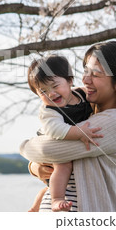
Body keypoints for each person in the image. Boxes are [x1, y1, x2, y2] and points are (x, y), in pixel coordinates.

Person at [20, 41, 116, 212]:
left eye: (95, 74)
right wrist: (36, 168)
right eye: (86, 71)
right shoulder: (83, 104)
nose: (85, 79)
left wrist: (25, 147)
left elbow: (48, 150)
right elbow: (53, 152)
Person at [26, 55, 103, 212]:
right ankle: (57, 199)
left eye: (55, 86)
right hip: (55, 141)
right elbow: (57, 130)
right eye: (43, 91)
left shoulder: (82, 94)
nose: (51, 94)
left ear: (69, 80)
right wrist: (80, 132)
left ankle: (41, 198)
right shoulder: (49, 111)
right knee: (63, 165)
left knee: (57, 177)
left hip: (68, 140)